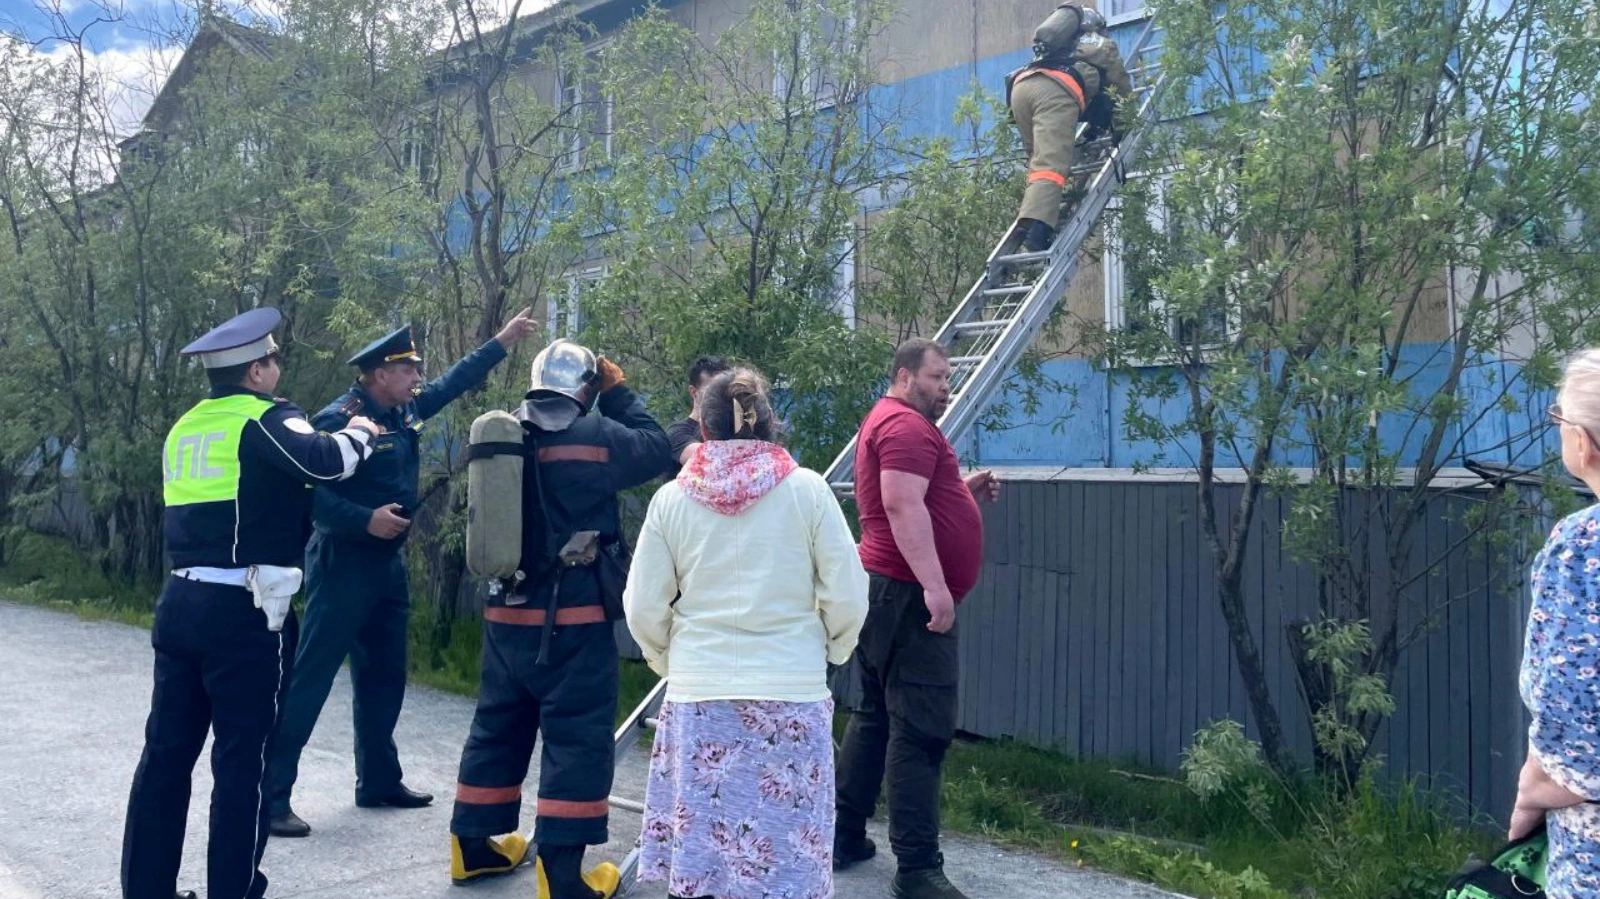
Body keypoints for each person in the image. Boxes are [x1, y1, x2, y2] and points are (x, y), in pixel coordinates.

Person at [122, 307, 380, 899]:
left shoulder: (185, 425)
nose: (277, 369)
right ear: (256, 371)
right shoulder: (263, 419)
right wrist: (360, 432)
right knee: (243, 764)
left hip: (180, 600)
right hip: (243, 614)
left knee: (165, 756)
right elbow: (326, 461)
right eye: (272, 361)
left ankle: (145, 889)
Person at [267, 310, 538, 837]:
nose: (417, 379)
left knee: (385, 674)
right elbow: (311, 495)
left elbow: (456, 381)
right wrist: (364, 519)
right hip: (343, 563)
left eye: (416, 371)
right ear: (378, 374)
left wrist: (502, 341)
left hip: (388, 567)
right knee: (312, 679)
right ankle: (272, 797)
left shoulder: (403, 412)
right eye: (408, 370)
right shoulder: (336, 419)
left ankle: (378, 780)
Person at [625, 367, 870, 899]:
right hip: (791, 693)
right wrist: (831, 649)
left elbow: (643, 605)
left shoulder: (671, 500)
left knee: (706, 867)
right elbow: (848, 591)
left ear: (704, 430)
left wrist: (670, 661)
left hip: (699, 696)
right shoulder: (808, 492)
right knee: (787, 863)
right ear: (770, 425)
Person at [448, 339, 672, 895]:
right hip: (573, 622)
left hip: (504, 616)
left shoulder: (503, 434)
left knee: (497, 727)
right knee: (577, 737)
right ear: (587, 388)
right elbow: (659, 449)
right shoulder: (596, 434)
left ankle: (470, 848)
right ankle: (562, 875)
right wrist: (618, 393)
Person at [834, 338, 1002, 899]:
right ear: (906, 377)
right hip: (907, 596)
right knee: (921, 729)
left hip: (884, 592)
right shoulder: (904, 426)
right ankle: (917, 870)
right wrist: (937, 587)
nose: (945, 388)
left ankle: (842, 834)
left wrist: (960, 490)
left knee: (876, 714)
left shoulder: (893, 422)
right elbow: (902, 506)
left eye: (948, 378)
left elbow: (914, 498)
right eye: (937, 378)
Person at [1507, 349, 1600, 898]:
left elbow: (1578, 738)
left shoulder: (1582, 551)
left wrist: (1528, 795)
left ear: (1584, 442)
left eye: (1558, 419)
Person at [1007, 2, 1132, 252]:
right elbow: (1119, 89)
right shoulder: (1099, 45)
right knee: (1051, 168)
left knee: (1038, 163)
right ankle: (1037, 232)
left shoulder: (1056, 46)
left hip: (1021, 89)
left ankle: (1028, 222)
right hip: (1055, 92)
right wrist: (1124, 127)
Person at [665, 355, 732, 473]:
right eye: (712, 390)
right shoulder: (677, 434)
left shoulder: (732, 429)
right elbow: (708, 461)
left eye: (724, 390)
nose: (720, 396)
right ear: (693, 392)